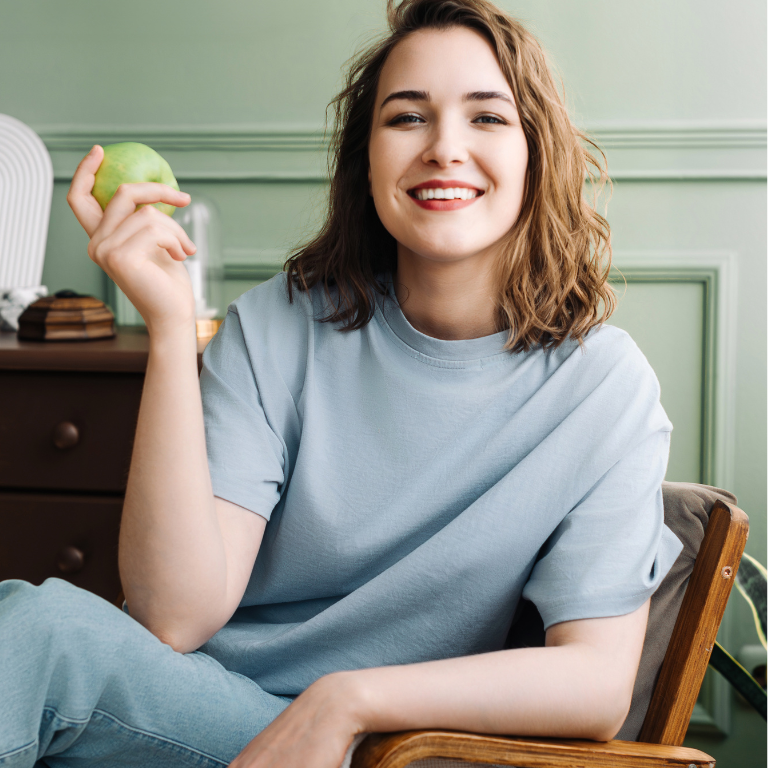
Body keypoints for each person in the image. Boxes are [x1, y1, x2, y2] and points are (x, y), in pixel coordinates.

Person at [0, 1, 683, 766]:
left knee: (36, 633)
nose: (444, 149)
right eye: (407, 119)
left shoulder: (604, 388)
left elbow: (594, 682)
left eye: (488, 119)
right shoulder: (275, 325)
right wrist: (166, 328)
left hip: (387, 745)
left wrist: (349, 699)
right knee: (34, 628)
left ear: (536, 152)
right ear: (368, 158)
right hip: (205, 710)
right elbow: (174, 620)